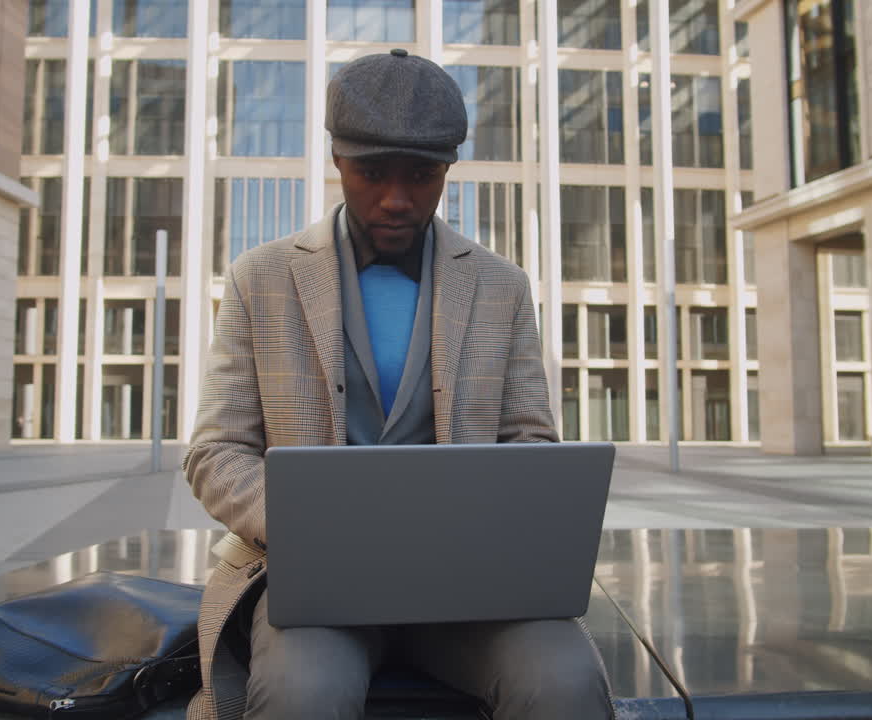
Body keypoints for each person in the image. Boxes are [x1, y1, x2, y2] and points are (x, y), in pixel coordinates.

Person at [184, 49, 615, 720]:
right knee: (302, 693)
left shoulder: (501, 286)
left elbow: (530, 443)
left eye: (421, 175)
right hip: (319, 587)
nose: (395, 198)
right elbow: (216, 452)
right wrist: (308, 527)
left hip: (472, 587)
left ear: (447, 169)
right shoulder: (259, 278)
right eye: (372, 172)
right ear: (337, 160)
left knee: (565, 679)